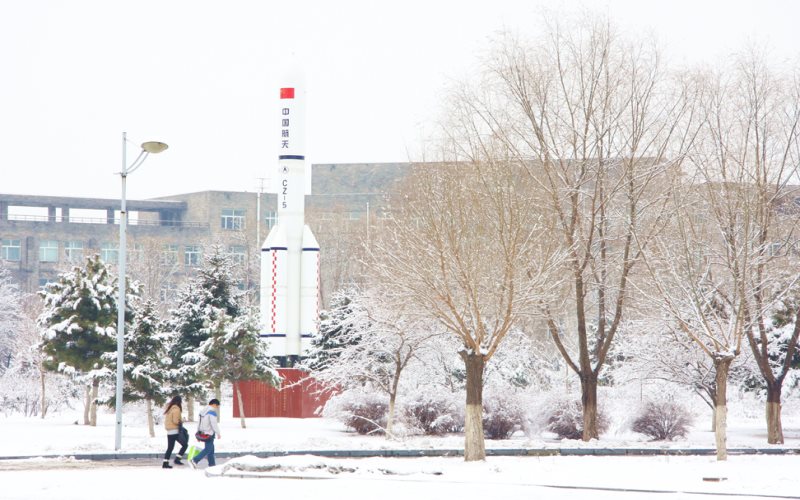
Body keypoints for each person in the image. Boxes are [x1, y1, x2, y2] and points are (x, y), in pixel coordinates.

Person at [190, 398, 221, 468]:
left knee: (211, 450)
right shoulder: (212, 412)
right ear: (213, 404)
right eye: (217, 406)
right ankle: (195, 460)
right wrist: (218, 433)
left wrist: (198, 432)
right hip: (209, 433)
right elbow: (214, 424)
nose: (217, 408)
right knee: (208, 449)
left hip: (203, 433)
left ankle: (212, 465)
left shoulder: (202, 411)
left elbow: (199, 423)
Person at [162, 395, 188, 469]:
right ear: (179, 402)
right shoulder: (176, 409)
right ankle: (177, 459)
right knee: (185, 445)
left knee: (170, 448)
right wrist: (182, 420)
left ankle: (165, 462)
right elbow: (176, 421)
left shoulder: (169, 408)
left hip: (169, 431)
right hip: (175, 431)